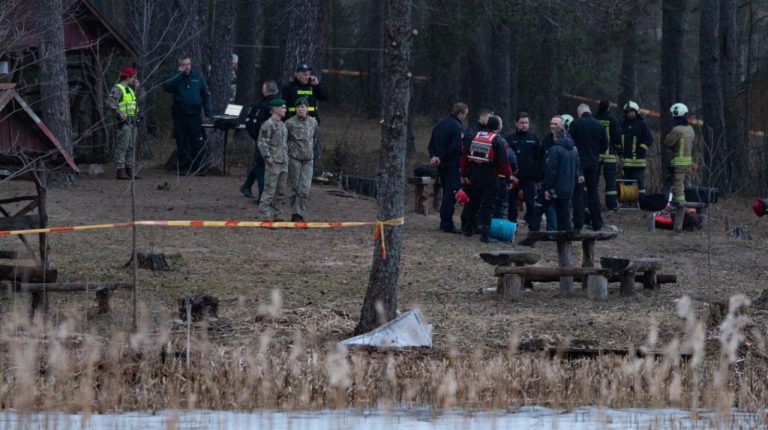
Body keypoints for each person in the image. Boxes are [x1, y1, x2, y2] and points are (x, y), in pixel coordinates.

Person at [459, 116, 514, 243]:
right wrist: (509, 178)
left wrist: (465, 174)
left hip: (474, 175)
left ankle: (468, 229)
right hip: (491, 177)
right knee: (488, 205)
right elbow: (504, 162)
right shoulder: (498, 141)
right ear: (498, 127)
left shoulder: (474, 137)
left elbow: (464, 156)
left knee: (473, 202)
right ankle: (485, 234)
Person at [162, 56, 212, 175]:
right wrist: (179, 75)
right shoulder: (175, 77)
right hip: (180, 115)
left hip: (195, 116)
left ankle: (198, 168)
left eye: (188, 64)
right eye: (184, 65)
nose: (187, 67)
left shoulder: (197, 77)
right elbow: (166, 87)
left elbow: (206, 94)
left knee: (197, 142)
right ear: (179, 66)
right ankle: (183, 168)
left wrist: (207, 111)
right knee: (181, 141)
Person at [522, 115, 564, 245]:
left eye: (555, 124)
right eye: (551, 123)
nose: (552, 126)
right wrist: (538, 178)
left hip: (560, 181)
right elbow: (539, 161)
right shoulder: (546, 140)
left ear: (562, 126)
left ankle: (553, 233)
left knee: (557, 208)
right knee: (540, 207)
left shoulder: (566, 143)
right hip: (545, 180)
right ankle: (534, 235)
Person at [428, 102, 469, 233]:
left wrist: (434, 157)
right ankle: (446, 223)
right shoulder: (457, 128)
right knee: (450, 194)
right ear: (461, 113)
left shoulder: (439, 124)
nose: (465, 117)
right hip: (451, 164)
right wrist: (442, 158)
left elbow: (431, 144)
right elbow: (456, 148)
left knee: (447, 190)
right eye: (465, 115)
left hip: (440, 164)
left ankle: (445, 221)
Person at [282, 63, 328, 173]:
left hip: (309, 124)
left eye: (308, 74)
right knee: (291, 148)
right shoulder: (290, 88)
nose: (307, 76)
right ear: (297, 75)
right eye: (304, 74)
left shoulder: (312, 87)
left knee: (308, 149)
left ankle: (307, 172)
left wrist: (317, 85)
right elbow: (284, 104)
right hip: (293, 123)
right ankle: (290, 170)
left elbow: (324, 97)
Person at [569, 103, 608, 231]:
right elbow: (605, 146)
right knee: (593, 193)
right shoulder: (599, 125)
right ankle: (597, 222)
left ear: (579, 112)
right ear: (589, 111)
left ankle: (578, 223)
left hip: (579, 164)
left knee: (578, 194)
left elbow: (571, 144)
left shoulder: (575, 124)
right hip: (593, 163)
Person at [240, 80, 281, 201]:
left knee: (260, 165)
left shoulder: (260, 106)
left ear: (264, 91)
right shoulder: (280, 106)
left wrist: (257, 138)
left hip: (262, 140)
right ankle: (262, 194)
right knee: (261, 166)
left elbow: (251, 124)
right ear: (277, 91)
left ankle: (248, 187)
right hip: (274, 142)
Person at [285, 97, 318, 222]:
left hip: (308, 159)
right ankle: (296, 214)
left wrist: (311, 151)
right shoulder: (289, 123)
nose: (301, 109)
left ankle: (298, 212)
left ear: (307, 108)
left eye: (303, 107)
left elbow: (315, 138)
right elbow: (284, 140)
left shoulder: (313, 122)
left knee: (305, 187)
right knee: (295, 186)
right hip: (294, 158)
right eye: (298, 107)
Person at [543, 125, 581, 232]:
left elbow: (551, 170)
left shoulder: (555, 150)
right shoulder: (574, 150)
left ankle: (548, 231)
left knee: (543, 206)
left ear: (555, 136)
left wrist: (547, 187)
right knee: (564, 212)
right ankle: (565, 233)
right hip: (569, 187)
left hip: (556, 188)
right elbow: (576, 169)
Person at [107, 66, 143, 180]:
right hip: (124, 122)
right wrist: (119, 115)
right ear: (128, 77)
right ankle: (120, 171)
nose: (135, 80)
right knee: (123, 146)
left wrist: (139, 89)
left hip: (133, 122)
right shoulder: (118, 88)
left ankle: (130, 171)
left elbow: (140, 100)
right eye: (134, 77)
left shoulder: (131, 89)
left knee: (131, 147)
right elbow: (110, 102)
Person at [506, 111, 540, 227]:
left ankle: (531, 224)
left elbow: (538, 158)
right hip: (513, 176)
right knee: (512, 201)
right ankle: (511, 223)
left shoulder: (534, 139)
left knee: (531, 201)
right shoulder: (510, 139)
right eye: (522, 123)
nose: (524, 125)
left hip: (529, 176)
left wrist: (537, 174)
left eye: (526, 122)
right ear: (516, 123)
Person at [257, 99, 289, 221]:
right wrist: (268, 157)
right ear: (275, 109)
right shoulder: (268, 124)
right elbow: (262, 142)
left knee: (280, 191)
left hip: (283, 161)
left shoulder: (283, 125)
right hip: (273, 162)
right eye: (283, 107)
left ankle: (277, 214)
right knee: (269, 190)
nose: (285, 110)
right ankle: (265, 215)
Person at [664, 103, 695, 206]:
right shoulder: (690, 129)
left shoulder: (677, 130)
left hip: (679, 164)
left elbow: (668, 142)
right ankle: (690, 205)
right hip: (688, 163)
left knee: (678, 186)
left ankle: (681, 208)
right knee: (688, 185)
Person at [620, 101, 653, 196]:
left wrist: (641, 150)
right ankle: (628, 201)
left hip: (638, 161)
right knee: (627, 182)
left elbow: (649, 139)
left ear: (636, 112)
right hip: (625, 161)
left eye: (632, 111)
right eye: (628, 112)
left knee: (640, 182)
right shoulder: (622, 125)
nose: (630, 113)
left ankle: (641, 201)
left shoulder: (641, 125)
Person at [593, 100, 622, 210]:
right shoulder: (612, 120)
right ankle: (611, 204)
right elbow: (617, 137)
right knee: (610, 182)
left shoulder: (594, 119)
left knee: (593, 181)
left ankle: (593, 203)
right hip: (609, 155)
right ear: (608, 108)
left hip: (595, 155)